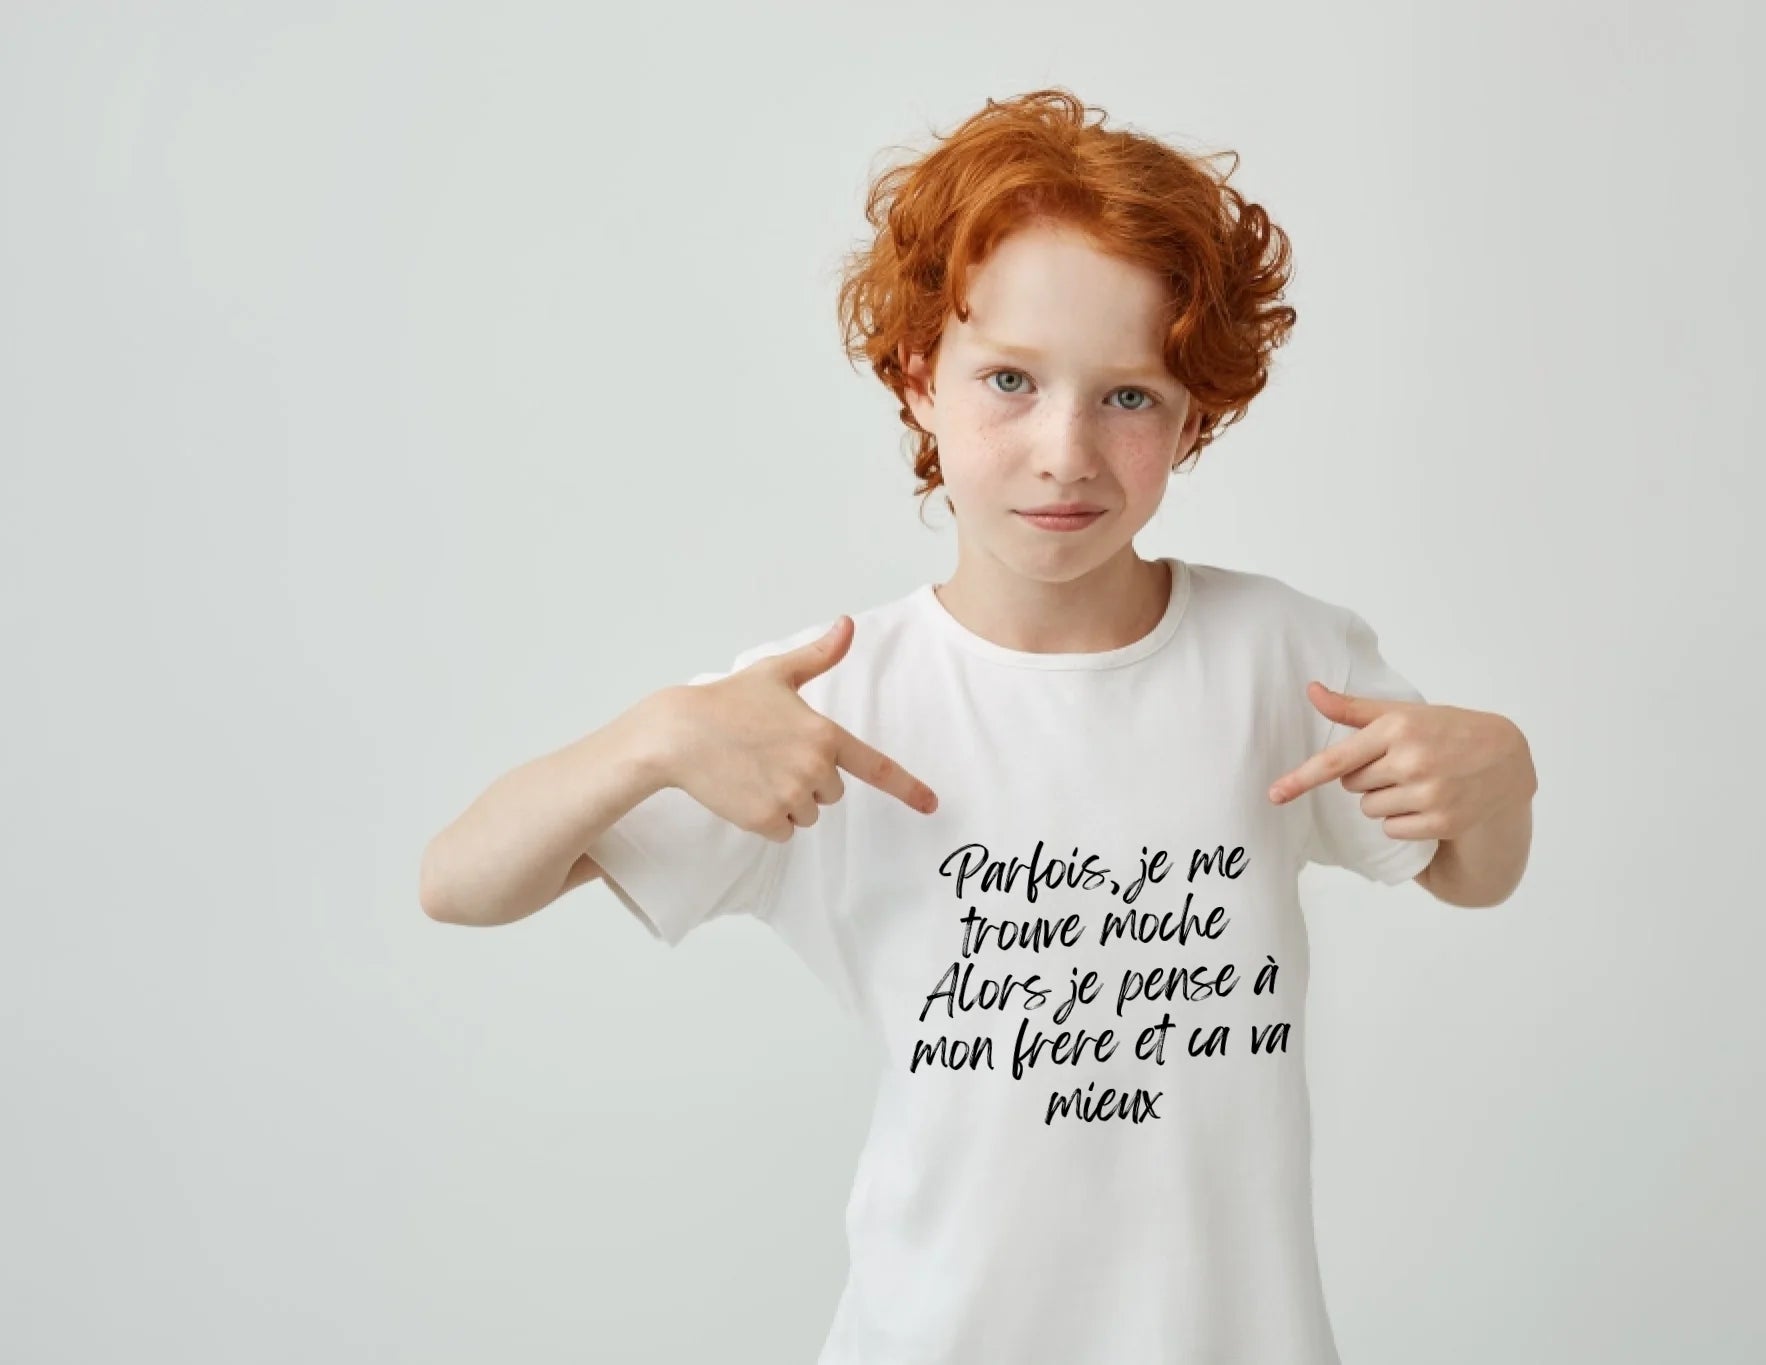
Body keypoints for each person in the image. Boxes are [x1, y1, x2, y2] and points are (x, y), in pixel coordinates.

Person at [420, 88, 1537, 1365]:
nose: (1064, 450)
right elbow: (459, 885)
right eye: (1008, 380)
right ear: (916, 381)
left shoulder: (1280, 658)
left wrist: (1502, 776)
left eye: (1128, 397)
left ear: (1193, 414)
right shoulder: (826, 702)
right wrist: (654, 736)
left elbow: (1467, 873)